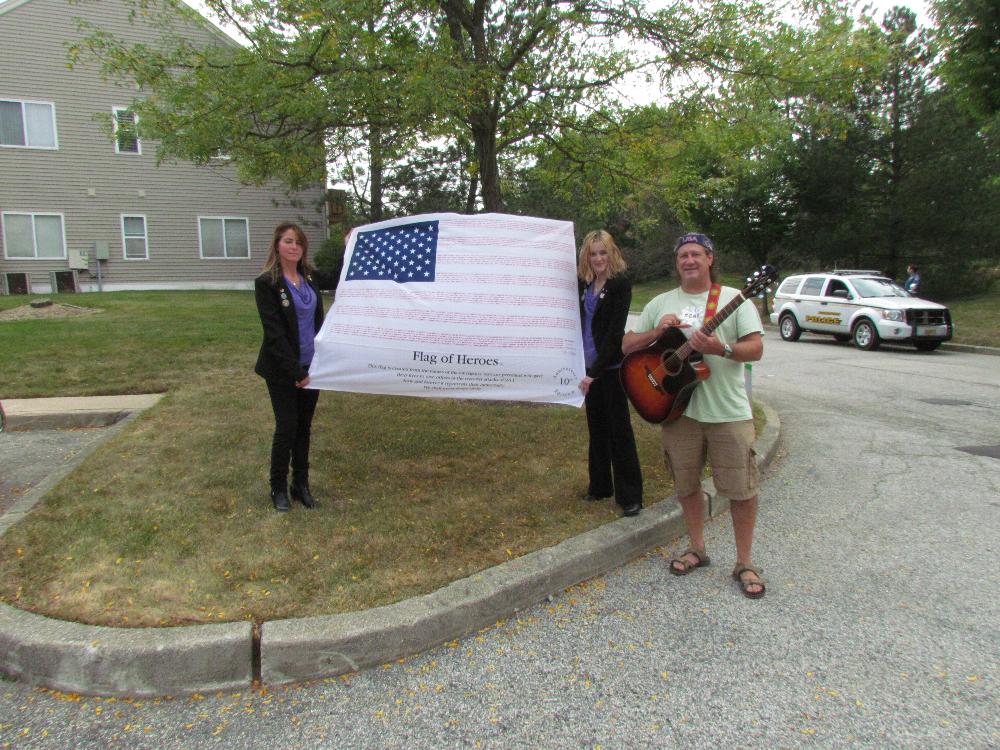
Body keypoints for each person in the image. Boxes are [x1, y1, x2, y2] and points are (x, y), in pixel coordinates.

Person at [621, 232, 766, 598]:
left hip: (727, 412)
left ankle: (745, 562)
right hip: (677, 412)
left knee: (741, 489)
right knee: (685, 485)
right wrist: (659, 330)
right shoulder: (661, 301)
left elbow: (756, 348)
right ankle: (697, 548)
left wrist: (723, 347)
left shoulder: (735, 299)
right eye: (683, 255)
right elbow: (628, 345)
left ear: (709, 259)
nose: (689, 260)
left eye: (696, 254)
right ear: (677, 261)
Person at [254, 222, 329, 512]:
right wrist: (297, 373)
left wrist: (352, 246)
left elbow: (339, 277)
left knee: (304, 428)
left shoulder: (309, 277)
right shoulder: (267, 283)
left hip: (314, 367)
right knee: (287, 426)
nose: (294, 246)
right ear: (277, 245)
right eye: (288, 241)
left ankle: (301, 484)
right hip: (283, 369)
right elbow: (274, 335)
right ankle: (278, 487)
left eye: (298, 242)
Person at [577, 230, 644, 517]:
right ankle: (600, 486)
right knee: (597, 428)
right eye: (593, 253)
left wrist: (595, 372)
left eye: (603, 252)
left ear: (612, 254)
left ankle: (630, 495)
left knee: (620, 431)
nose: (598, 258)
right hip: (587, 367)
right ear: (586, 257)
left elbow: (615, 334)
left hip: (610, 368)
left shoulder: (620, 285)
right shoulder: (583, 283)